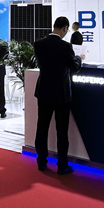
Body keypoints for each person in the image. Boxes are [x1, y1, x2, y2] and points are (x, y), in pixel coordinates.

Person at [33, 16, 83, 175]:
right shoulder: (65, 46)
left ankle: (41, 161)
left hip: (43, 92)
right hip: (61, 94)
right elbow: (74, 67)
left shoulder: (39, 44)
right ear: (65, 28)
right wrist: (79, 58)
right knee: (62, 131)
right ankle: (62, 165)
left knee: (42, 127)